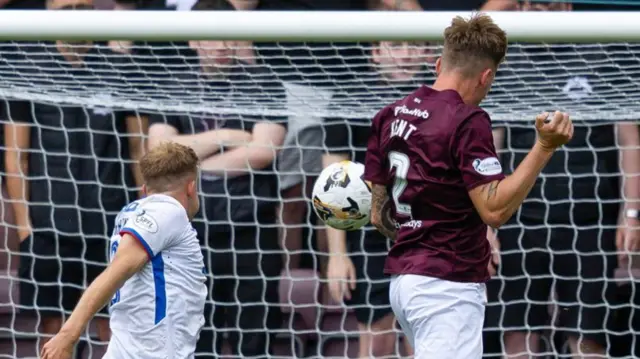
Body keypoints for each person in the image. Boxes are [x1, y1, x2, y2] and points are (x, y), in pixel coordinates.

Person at [362, 13, 573, 358]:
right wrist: (544, 146)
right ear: (486, 76)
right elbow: (494, 209)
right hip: (445, 288)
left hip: (404, 283)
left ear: (437, 63)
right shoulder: (467, 119)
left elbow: (377, 215)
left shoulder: (390, 114)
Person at [483, 2, 640, 358]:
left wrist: (630, 213)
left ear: (566, 7)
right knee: (517, 334)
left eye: (547, 5)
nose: (539, 13)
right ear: (519, 9)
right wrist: (487, 223)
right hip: (520, 223)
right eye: (531, 5)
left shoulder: (601, 51)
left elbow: (629, 138)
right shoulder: (506, 62)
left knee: (588, 337)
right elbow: (492, 143)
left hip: (589, 221)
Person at [4, 0, 147, 351]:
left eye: (83, 6)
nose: (74, 14)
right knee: (55, 333)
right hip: (50, 226)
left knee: (114, 330)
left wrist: (144, 219)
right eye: (65, 7)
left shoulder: (120, 68)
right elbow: (15, 157)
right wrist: (26, 230)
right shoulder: (27, 69)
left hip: (112, 223)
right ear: (49, 12)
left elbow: (140, 152)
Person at [147, 1, 287, 357]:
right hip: (189, 233)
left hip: (251, 232)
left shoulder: (262, 80)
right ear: (193, 40)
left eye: (228, 35)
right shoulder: (172, 83)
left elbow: (263, 151)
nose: (221, 45)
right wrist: (227, 135)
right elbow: (158, 150)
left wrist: (188, 164)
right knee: (193, 339)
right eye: (211, 37)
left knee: (255, 341)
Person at [40, 141, 207, 359]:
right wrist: (68, 335)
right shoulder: (167, 211)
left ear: (144, 189)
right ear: (191, 187)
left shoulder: (131, 214)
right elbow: (119, 269)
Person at [322, 40, 429, 358]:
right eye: (396, 45)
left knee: (425, 337)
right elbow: (334, 182)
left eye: (412, 47)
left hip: (427, 232)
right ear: (375, 52)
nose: (407, 53)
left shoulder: (438, 99)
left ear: (425, 52)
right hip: (369, 235)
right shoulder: (349, 95)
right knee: (376, 341)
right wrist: (337, 255)